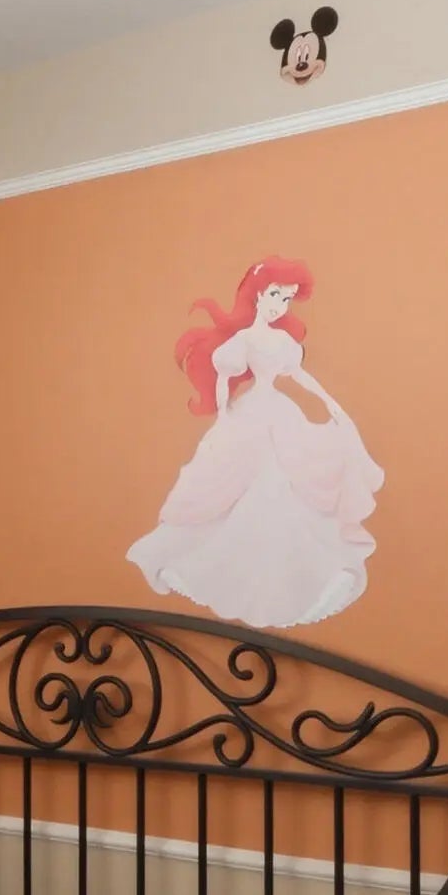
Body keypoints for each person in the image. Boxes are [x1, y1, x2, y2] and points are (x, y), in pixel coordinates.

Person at [125, 258, 382, 628]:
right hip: (250, 415)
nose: (280, 305)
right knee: (246, 485)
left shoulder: (283, 342)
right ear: (258, 295)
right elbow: (222, 378)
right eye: (275, 294)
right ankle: (221, 565)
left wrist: (331, 403)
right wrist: (224, 415)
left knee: (286, 484)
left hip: (279, 412)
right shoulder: (244, 340)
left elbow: (300, 376)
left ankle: (290, 572)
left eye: (287, 299)